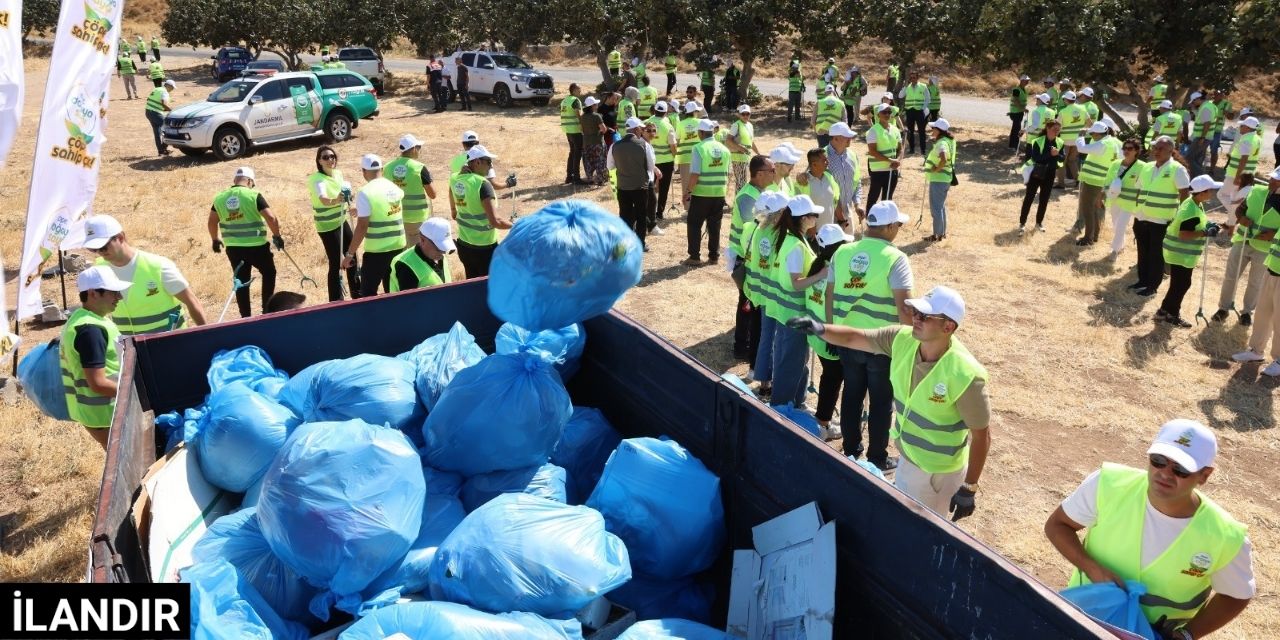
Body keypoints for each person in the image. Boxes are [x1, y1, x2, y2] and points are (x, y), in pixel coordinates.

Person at [1044, 420, 1254, 639]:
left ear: (1204, 475)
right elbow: (1058, 525)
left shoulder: (1226, 536)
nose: (1165, 473)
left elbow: (1236, 595)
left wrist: (1189, 634)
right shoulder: (1108, 484)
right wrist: (1091, 568)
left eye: (1181, 469)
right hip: (1081, 616)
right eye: (1158, 461)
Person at [794, 285, 990, 518]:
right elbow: (857, 337)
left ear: (948, 326)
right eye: (915, 312)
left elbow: (982, 436)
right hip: (908, 458)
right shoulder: (903, 339)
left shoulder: (966, 375)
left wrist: (969, 488)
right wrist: (821, 329)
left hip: (936, 474)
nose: (915, 318)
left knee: (923, 536)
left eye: (924, 316)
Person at [824, 201, 914, 465]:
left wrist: (832, 331)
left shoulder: (841, 252)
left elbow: (829, 295)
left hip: (847, 339)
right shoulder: (896, 258)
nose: (899, 229)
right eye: (897, 224)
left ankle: (851, 450)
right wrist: (911, 346)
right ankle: (876, 458)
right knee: (881, 401)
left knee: (852, 394)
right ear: (887, 227)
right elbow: (905, 309)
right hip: (881, 345)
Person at [82, 214, 207, 334]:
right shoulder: (98, 271)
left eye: (103, 246)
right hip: (130, 349)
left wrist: (208, 336)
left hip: (171, 344)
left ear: (120, 237)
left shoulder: (158, 266)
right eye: (94, 249)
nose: (100, 252)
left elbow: (192, 302)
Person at [60, 266, 131, 449]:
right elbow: (98, 383)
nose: (119, 297)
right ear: (93, 294)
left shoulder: (84, 318)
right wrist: (135, 393)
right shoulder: (90, 330)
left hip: (100, 412)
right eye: (114, 292)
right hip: (105, 413)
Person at [767, 195, 827, 411]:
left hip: (788, 312)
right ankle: (781, 408)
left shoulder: (792, 238)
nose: (817, 218)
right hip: (794, 313)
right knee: (790, 363)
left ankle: (796, 402)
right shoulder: (795, 245)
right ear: (803, 218)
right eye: (814, 215)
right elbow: (796, 284)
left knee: (795, 360)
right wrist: (821, 274)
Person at [209, 167, 284, 318]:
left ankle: (245, 317)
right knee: (269, 273)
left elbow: (211, 221)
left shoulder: (219, 198)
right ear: (249, 181)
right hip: (257, 246)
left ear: (235, 180)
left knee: (241, 282)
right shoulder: (253, 195)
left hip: (234, 249)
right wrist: (277, 235)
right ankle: (267, 311)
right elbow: (271, 218)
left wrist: (215, 239)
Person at [1157, 175, 1224, 327]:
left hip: (1179, 253)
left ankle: (1163, 311)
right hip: (1180, 253)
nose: (1212, 193)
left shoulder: (1193, 203)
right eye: (1210, 190)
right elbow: (1184, 234)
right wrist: (1205, 233)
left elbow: (1196, 222)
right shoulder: (1191, 210)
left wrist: (1208, 224)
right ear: (1202, 192)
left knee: (1178, 284)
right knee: (1182, 284)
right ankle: (1171, 314)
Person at [1216, 168, 1280, 327]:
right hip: (1243, 240)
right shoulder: (1256, 191)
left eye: (1276, 179)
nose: (1271, 181)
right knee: (1231, 276)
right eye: (1272, 178)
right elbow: (1240, 209)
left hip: (1264, 248)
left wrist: (1273, 234)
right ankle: (1223, 309)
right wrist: (1241, 218)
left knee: (1255, 282)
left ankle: (1246, 313)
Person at [1131, 136, 1192, 297]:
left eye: (1161, 149)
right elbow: (1139, 189)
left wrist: (1181, 219)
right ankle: (1142, 281)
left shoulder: (1177, 169)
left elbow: (1184, 195)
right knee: (1142, 252)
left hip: (1161, 220)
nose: (1156, 151)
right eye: (1155, 148)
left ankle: (1152, 286)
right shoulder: (1147, 167)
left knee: (1156, 255)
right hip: (1142, 217)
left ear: (1171, 151)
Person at [745, 191, 792, 395]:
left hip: (761, 292)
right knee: (776, 338)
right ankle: (772, 382)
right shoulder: (780, 235)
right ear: (781, 212)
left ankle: (763, 381)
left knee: (766, 337)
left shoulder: (760, 230)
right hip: (774, 294)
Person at [807, 223, 851, 439]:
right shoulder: (834, 272)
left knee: (829, 378)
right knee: (832, 380)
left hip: (816, 335)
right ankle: (822, 424)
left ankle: (822, 420)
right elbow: (830, 303)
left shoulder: (818, 265)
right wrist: (834, 335)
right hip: (828, 338)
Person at [1233, 181, 1280, 376]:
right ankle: (1256, 350)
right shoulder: (1273, 198)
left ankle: (1278, 359)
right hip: (1272, 267)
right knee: (1262, 312)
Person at [729, 155, 774, 361]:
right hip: (746, 258)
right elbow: (755, 227)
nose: (774, 173)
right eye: (771, 170)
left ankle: (747, 344)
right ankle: (741, 347)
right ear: (759, 174)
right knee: (747, 303)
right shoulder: (748, 197)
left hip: (755, 257)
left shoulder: (763, 192)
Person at [342, 154, 406, 295]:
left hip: (377, 252)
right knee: (393, 291)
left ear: (364, 171)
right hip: (398, 247)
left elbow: (362, 226)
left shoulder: (365, 192)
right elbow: (384, 208)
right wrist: (360, 209)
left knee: (368, 294)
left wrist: (350, 254)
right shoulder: (393, 187)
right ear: (382, 169)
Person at [446, 145, 511, 278]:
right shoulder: (482, 184)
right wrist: (516, 225)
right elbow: (496, 221)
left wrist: (453, 210)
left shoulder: (455, 178)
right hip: (484, 248)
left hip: (464, 245)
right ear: (477, 162)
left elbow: (451, 197)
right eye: (489, 162)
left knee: (472, 285)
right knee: (487, 288)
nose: (491, 166)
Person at [308, 145, 361, 301]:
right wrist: (337, 199)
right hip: (327, 226)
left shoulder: (338, 174)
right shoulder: (317, 180)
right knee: (336, 262)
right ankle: (336, 300)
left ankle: (357, 294)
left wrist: (350, 205)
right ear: (319, 161)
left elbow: (345, 194)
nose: (330, 159)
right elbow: (323, 199)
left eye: (332, 156)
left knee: (352, 255)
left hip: (341, 220)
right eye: (325, 157)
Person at [683, 119, 732, 265]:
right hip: (719, 193)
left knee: (694, 224)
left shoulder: (698, 148)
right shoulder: (725, 149)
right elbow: (728, 174)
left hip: (702, 193)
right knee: (714, 225)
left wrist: (688, 191)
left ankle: (694, 257)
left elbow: (695, 173)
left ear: (701, 132)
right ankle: (714, 256)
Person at [609, 117, 659, 250]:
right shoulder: (644, 145)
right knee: (641, 215)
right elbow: (650, 167)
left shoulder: (615, 145)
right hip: (640, 186)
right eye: (641, 129)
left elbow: (610, 166)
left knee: (624, 215)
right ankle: (640, 243)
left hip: (623, 186)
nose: (642, 131)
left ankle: (625, 243)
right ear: (636, 129)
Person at [1075, 121, 1123, 246]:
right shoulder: (1114, 142)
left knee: (1088, 208)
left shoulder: (1102, 144)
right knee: (1094, 208)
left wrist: (1080, 136)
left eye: (1093, 134)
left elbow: (1081, 148)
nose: (1092, 136)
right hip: (1103, 180)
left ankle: (1088, 238)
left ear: (1099, 134)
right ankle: (1094, 235)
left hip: (1093, 180)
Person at [384, 134, 436, 248]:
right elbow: (433, 194)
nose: (419, 151)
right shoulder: (419, 168)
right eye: (418, 148)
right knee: (415, 253)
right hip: (416, 219)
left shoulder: (387, 167)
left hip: (394, 216)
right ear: (413, 149)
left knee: (399, 251)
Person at [1105, 139, 1148, 258]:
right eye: (1125, 148)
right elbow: (1108, 179)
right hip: (1114, 200)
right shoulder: (1115, 164)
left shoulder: (1143, 167)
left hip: (1129, 202)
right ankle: (1121, 245)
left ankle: (1114, 250)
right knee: (1115, 224)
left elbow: (1143, 185)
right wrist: (1102, 194)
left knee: (1121, 226)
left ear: (1136, 151)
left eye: (1130, 149)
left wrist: (1140, 201)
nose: (1126, 151)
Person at [1019, 120, 1064, 234]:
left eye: (1058, 130)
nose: (1057, 132)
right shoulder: (1038, 141)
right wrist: (1051, 154)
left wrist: (1058, 154)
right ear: (1048, 128)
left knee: (1044, 200)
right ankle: (1022, 223)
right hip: (1037, 173)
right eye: (1055, 129)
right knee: (1029, 198)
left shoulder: (1060, 142)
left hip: (1050, 174)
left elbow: (1062, 158)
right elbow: (1036, 158)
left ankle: (1039, 223)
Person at [389, 218, 457, 292]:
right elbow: (408, 302)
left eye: (445, 248)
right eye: (439, 248)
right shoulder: (406, 266)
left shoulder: (438, 254)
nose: (443, 253)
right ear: (422, 240)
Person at [825, 122, 864, 227]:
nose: (850, 138)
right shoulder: (822, 156)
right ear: (835, 138)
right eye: (847, 136)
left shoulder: (852, 155)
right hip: (827, 216)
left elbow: (856, 182)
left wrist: (857, 204)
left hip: (847, 213)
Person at [865, 103, 903, 211]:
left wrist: (898, 160)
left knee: (887, 199)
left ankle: (885, 224)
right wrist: (890, 160)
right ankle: (870, 222)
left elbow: (901, 148)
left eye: (889, 112)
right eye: (884, 112)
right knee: (873, 197)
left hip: (892, 169)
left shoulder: (895, 129)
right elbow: (872, 151)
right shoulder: (873, 130)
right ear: (878, 115)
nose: (887, 114)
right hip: (878, 170)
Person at [794, 148, 844, 230]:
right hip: (812, 235)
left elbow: (835, 200)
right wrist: (811, 229)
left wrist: (842, 220)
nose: (827, 162)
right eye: (824, 160)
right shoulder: (802, 183)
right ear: (814, 165)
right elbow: (800, 210)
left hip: (829, 232)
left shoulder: (829, 177)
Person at [1217, 116, 1261, 209]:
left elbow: (1243, 159)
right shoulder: (1256, 138)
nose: (1240, 127)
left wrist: (1237, 177)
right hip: (1248, 174)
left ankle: (1235, 213)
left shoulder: (1246, 140)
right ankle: (1231, 222)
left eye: (1242, 125)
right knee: (1235, 197)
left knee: (1222, 195)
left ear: (1248, 128)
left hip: (1236, 174)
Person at [924, 118, 956, 242]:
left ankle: (936, 235)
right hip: (946, 178)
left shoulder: (942, 143)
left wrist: (935, 169)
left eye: (933, 128)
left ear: (939, 130)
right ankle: (941, 233)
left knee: (936, 208)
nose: (931, 130)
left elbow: (943, 159)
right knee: (941, 207)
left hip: (939, 179)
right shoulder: (948, 141)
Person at [647, 102, 678, 227]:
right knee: (664, 188)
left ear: (654, 110)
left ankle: (648, 212)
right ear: (666, 112)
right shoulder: (668, 125)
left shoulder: (647, 122)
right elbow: (673, 146)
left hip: (650, 160)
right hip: (665, 161)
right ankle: (659, 212)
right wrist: (675, 156)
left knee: (649, 187)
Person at [725, 104, 760, 195]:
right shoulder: (736, 125)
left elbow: (751, 142)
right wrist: (740, 148)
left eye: (747, 114)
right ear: (739, 115)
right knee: (741, 182)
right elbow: (728, 140)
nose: (745, 116)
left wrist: (758, 153)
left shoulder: (750, 125)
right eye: (743, 114)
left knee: (743, 182)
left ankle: (738, 203)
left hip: (745, 157)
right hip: (738, 157)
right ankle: (738, 204)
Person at [1055, 91, 1087, 189]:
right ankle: (1078, 181)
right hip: (1078, 140)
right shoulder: (1083, 109)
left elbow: (1057, 127)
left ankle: (1061, 183)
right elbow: (1090, 124)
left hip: (1065, 140)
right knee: (1072, 161)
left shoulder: (1063, 112)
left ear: (1066, 100)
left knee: (1061, 161)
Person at [897, 70, 930, 156]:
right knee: (910, 131)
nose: (912, 79)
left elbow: (927, 99)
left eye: (914, 77)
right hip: (909, 111)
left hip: (919, 111)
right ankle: (912, 149)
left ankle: (923, 150)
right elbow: (900, 96)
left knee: (921, 131)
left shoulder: (923, 86)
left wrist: (923, 108)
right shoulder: (907, 87)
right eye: (911, 78)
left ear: (917, 78)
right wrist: (905, 86)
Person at [675, 100, 702, 199]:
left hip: (684, 158)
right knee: (699, 182)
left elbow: (677, 141)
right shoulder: (701, 122)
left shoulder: (680, 124)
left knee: (686, 183)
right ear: (695, 112)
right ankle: (698, 207)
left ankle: (687, 206)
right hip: (699, 157)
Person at [560, 83, 586, 185]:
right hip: (575, 130)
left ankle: (569, 176)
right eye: (579, 89)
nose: (580, 91)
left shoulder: (564, 100)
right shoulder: (575, 100)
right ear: (574, 90)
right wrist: (583, 127)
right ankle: (577, 178)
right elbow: (578, 115)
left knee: (572, 153)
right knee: (577, 153)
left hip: (567, 130)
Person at [580, 96, 608, 185]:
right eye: (596, 104)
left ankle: (590, 178)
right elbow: (603, 129)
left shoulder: (582, 117)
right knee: (600, 161)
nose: (597, 105)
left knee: (588, 161)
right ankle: (601, 180)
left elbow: (581, 129)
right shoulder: (597, 116)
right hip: (597, 142)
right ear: (592, 106)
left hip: (586, 142)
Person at [1186, 92, 1216, 176]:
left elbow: (1207, 123)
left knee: (1189, 157)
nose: (1193, 103)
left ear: (1198, 99)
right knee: (1198, 159)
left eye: (1194, 101)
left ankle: (1200, 175)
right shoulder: (1209, 106)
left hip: (1202, 137)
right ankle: (1197, 178)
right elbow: (1203, 118)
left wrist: (1202, 138)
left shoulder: (1205, 107)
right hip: (1206, 136)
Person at [144, 79, 174, 157]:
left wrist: (162, 108)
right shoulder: (164, 92)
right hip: (155, 113)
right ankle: (163, 147)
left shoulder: (157, 89)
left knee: (157, 133)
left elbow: (149, 99)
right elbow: (163, 103)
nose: (172, 89)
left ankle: (161, 151)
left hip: (148, 112)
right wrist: (172, 111)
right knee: (170, 129)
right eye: (172, 88)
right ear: (168, 86)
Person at [812, 85, 846, 149]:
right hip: (836, 133)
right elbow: (844, 122)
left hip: (821, 132)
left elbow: (813, 121)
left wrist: (816, 132)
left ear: (825, 93)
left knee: (823, 154)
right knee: (834, 153)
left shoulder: (819, 102)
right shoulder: (841, 103)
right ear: (834, 92)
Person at [1209, 89, 1232, 174]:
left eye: (1219, 94)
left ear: (1222, 95)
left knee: (1214, 151)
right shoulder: (1210, 103)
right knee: (1201, 149)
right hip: (1207, 129)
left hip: (1217, 131)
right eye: (1215, 93)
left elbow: (1231, 117)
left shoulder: (1226, 104)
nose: (1216, 95)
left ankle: (1211, 169)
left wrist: (1227, 114)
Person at [1008, 74, 1030, 149]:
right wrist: (1023, 109)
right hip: (1015, 112)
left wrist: (1023, 109)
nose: (1027, 82)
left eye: (1028, 81)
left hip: (1019, 112)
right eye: (1026, 80)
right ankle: (1013, 145)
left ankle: (1013, 145)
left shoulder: (1024, 89)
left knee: (1016, 128)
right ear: (1022, 81)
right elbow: (1015, 100)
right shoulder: (1016, 89)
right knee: (1016, 128)